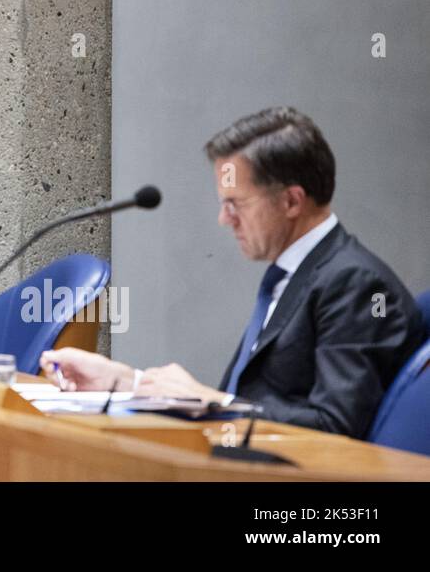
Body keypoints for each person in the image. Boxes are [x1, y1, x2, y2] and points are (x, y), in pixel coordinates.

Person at [41, 107, 425, 437]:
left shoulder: (355, 283)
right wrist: (128, 382)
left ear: (292, 200)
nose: (224, 219)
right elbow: (250, 402)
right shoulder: (296, 273)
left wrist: (215, 402)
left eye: (235, 204)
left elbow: (336, 427)